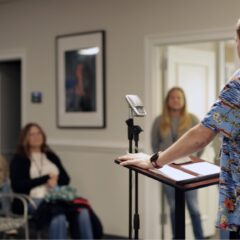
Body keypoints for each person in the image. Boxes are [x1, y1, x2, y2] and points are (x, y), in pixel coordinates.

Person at [119, 18, 240, 239]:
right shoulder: (160, 120)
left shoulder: (238, 83)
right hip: (176, 170)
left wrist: (154, 160)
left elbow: (200, 137)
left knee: (194, 211)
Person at [10, 122, 93, 239]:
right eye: (32, 134)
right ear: (25, 138)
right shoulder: (20, 158)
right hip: (32, 199)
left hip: (56, 196)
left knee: (82, 211)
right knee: (58, 215)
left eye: (39, 133)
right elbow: (17, 185)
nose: (37, 136)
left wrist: (56, 180)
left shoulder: (50, 155)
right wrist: (46, 178)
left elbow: (66, 179)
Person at [151, 87, 204, 239]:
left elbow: (200, 142)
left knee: (194, 208)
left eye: (178, 97)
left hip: (189, 170)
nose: (175, 100)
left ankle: (199, 237)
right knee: (174, 208)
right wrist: (161, 162)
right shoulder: (159, 121)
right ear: (167, 101)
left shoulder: (193, 119)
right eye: (172, 97)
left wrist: (192, 158)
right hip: (167, 171)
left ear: (183, 101)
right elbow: (154, 144)